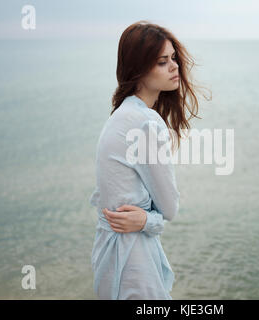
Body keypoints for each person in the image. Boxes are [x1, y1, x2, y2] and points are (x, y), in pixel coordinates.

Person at [89, 20, 207, 300]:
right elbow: (169, 207)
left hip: (110, 254)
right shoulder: (145, 122)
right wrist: (150, 220)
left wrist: (146, 218)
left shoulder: (121, 114)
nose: (175, 67)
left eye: (174, 59)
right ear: (139, 69)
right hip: (132, 260)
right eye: (162, 61)